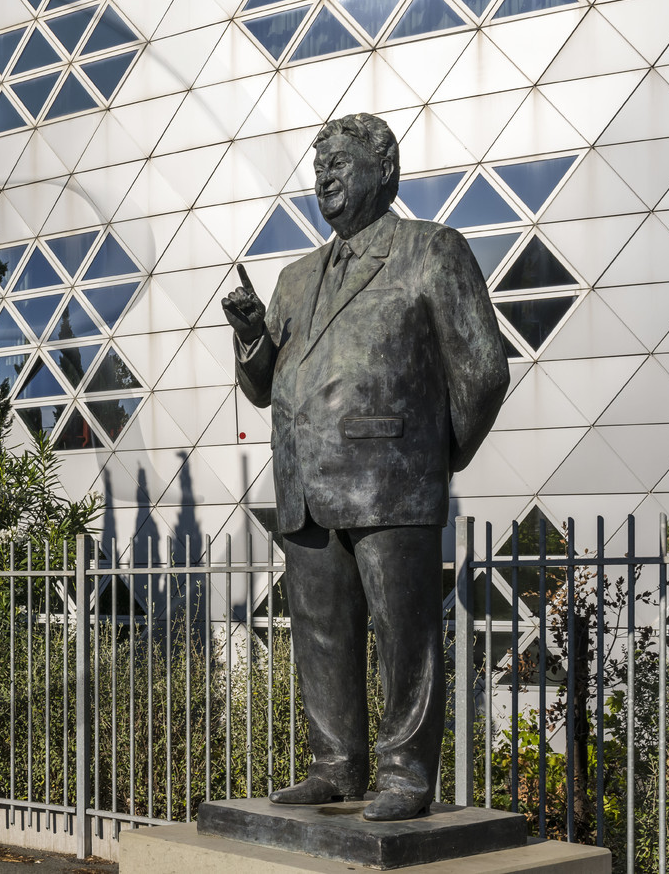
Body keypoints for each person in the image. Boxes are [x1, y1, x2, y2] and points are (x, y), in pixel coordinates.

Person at [221, 113, 508, 821]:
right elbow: (264, 388)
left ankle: (407, 773)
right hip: (306, 488)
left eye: (340, 163)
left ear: (386, 170)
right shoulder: (293, 279)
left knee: (404, 631)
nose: (325, 178)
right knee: (320, 631)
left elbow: (484, 369)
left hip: (393, 481)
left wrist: (431, 458)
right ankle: (335, 763)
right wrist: (254, 338)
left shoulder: (432, 250)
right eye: (319, 169)